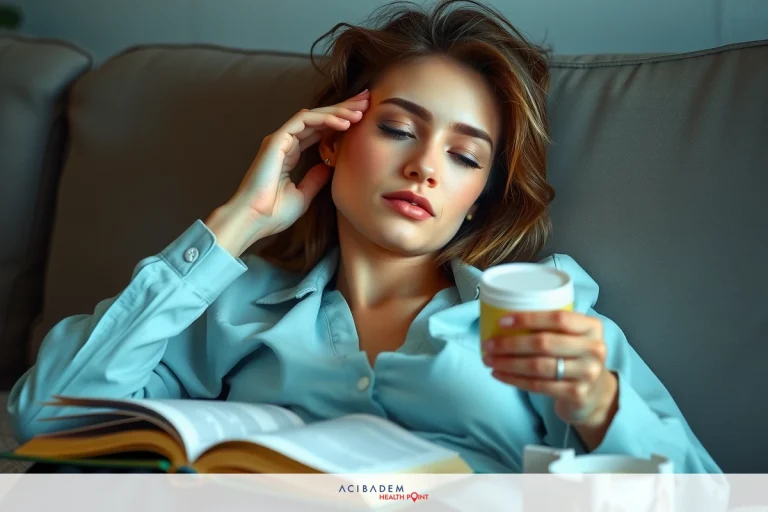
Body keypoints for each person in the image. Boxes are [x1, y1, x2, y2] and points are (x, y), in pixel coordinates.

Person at [7, 0, 720, 473]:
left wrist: (599, 408)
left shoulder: (540, 319)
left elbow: (704, 496)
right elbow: (44, 416)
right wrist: (236, 225)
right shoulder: (235, 309)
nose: (425, 167)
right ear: (332, 140)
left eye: (464, 156)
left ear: (480, 197)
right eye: (399, 129)